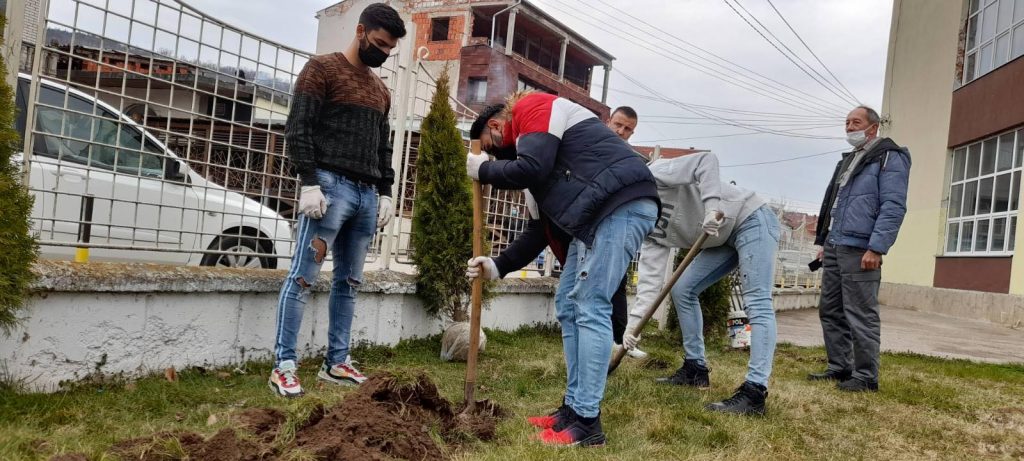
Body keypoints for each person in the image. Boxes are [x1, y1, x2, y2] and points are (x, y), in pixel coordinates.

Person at [465, 92, 659, 447]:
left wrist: (485, 170)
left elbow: (529, 168)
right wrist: (497, 265)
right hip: (598, 214)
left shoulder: (534, 108)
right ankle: (572, 409)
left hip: (622, 204)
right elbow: (540, 230)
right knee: (570, 306)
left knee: (591, 304)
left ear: (496, 125)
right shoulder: (537, 159)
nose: (495, 156)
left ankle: (587, 423)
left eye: (492, 147)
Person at [267, 3, 406, 398]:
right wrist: (309, 182)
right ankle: (284, 365)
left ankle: (337, 362)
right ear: (361, 31)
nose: (382, 53)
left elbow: (383, 146)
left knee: (349, 282)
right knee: (302, 277)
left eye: (389, 49)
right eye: (379, 43)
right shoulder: (321, 69)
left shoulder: (381, 90)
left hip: (365, 195)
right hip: (329, 188)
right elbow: (298, 128)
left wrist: (385, 191)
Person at [622, 150, 781, 415]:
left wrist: (710, 208)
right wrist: (632, 330)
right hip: (722, 239)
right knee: (683, 290)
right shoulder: (646, 226)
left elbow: (707, 160)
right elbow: (649, 284)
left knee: (757, 300)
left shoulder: (657, 172)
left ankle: (755, 392)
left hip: (750, 218)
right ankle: (696, 369)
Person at [807, 105, 910, 392]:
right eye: (847, 123)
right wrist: (824, 242)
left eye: (856, 122)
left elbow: (893, 206)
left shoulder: (889, 156)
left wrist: (876, 248)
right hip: (836, 245)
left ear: (873, 127)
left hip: (861, 249)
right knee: (831, 310)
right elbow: (835, 204)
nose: (850, 128)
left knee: (861, 314)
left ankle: (866, 376)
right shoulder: (850, 160)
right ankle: (840, 367)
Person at [604, 106, 649, 359]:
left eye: (627, 129)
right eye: (618, 125)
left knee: (618, 282)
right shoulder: (593, 145)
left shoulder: (629, 157)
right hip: (589, 225)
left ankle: (619, 340)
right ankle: (593, 336)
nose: (621, 132)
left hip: (617, 223)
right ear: (608, 121)